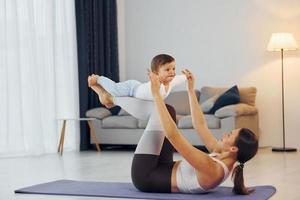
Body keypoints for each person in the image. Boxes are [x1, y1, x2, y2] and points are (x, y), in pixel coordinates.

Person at [89, 69, 258, 195]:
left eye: (230, 135)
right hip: (164, 166)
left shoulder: (212, 168)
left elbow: (173, 135)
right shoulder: (222, 155)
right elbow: (200, 125)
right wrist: (191, 90)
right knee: (167, 110)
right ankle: (110, 99)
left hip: (146, 176)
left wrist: (156, 94)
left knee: (159, 110)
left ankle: (111, 99)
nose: (226, 134)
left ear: (234, 149)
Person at [87, 54, 186, 108]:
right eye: (167, 70)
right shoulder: (156, 83)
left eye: (173, 69)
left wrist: (187, 76)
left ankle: (107, 99)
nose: (172, 72)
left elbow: (180, 78)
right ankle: (98, 79)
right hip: (132, 88)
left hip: (135, 93)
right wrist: (153, 77)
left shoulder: (170, 82)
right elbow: (154, 84)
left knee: (110, 102)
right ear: (156, 74)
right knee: (115, 90)